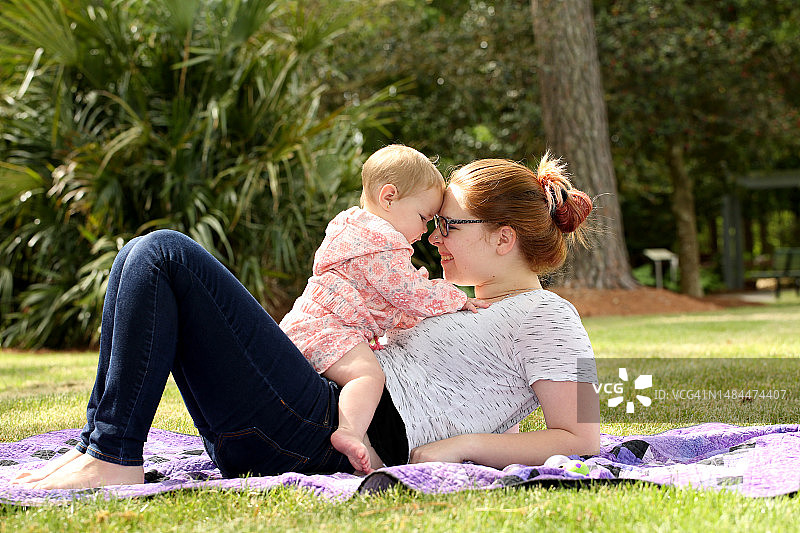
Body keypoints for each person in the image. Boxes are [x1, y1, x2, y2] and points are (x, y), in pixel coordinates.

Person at [13, 152, 600, 490]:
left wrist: (460, 448)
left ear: (503, 239)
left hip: (329, 436)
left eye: (449, 225)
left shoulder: (553, 317)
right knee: (143, 255)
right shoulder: (449, 299)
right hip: (311, 414)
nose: (433, 239)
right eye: (435, 223)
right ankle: (103, 446)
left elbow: (581, 437)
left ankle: (112, 457)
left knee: (164, 254)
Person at [279, 144, 486, 474]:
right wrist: (457, 298)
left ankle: (359, 444)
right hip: (331, 328)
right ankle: (349, 433)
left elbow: (389, 305)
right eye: (424, 218)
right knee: (368, 375)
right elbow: (409, 294)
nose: (426, 232)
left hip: (309, 322)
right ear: (389, 197)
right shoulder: (381, 242)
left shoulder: (352, 229)